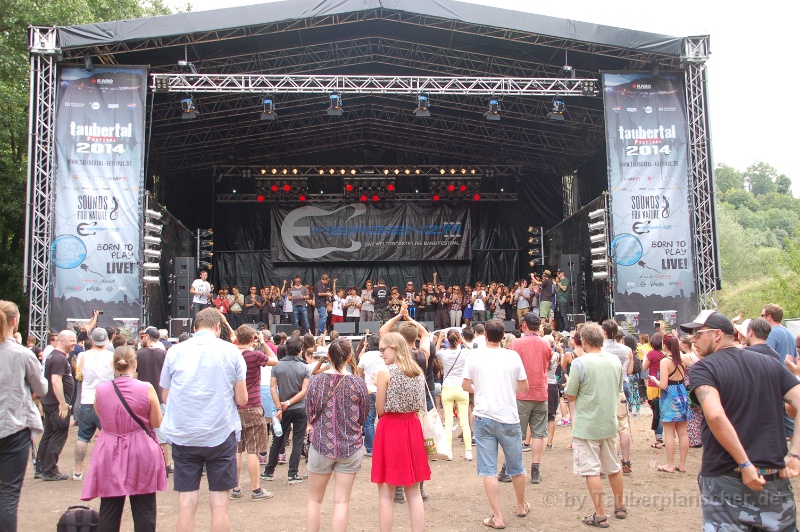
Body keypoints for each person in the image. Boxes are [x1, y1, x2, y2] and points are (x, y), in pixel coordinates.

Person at [682, 310, 800, 530]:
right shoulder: (770, 362)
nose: (693, 340)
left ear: (717, 334)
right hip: (772, 479)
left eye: (698, 334)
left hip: (726, 479)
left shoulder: (704, 368)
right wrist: (795, 453)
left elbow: (715, 415)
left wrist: (745, 464)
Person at [160, 307, 247, 532]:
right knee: (220, 505)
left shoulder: (175, 352)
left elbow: (166, 397)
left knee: (186, 503)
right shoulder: (231, 352)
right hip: (220, 433)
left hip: (185, 435)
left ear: (194, 327)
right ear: (218, 327)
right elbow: (242, 399)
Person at [80, 346, 167, 531]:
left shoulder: (101, 389)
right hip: (141, 448)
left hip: (109, 448)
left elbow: (101, 416)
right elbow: (156, 422)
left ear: (113, 365)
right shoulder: (146, 387)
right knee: (144, 507)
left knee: (109, 508)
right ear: (135, 364)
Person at [461, 319, 529, 529]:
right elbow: (524, 386)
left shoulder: (474, 356)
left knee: (488, 469)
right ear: (503, 336)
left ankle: (497, 517)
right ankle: (521, 506)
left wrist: (480, 389)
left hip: (484, 417)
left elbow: (465, 385)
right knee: (516, 466)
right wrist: (507, 388)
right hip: (508, 417)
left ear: (485, 335)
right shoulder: (512, 356)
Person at [564, 322, 626, 527]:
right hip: (608, 421)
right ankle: (620, 506)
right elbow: (618, 387)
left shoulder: (580, 363)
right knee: (613, 466)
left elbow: (570, 394)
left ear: (584, 341)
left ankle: (600, 514)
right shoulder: (615, 361)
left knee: (591, 470)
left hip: (587, 424)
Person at [305, 338, 369, 532]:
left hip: (321, 444)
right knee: (342, 502)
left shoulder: (316, 381)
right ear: (349, 357)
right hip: (350, 446)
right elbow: (363, 416)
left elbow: (310, 413)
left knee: (314, 500)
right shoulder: (358, 383)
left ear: (328, 356)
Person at [372, 331, 430, 532]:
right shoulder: (417, 371)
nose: (381, 354)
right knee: (414, 492)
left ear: (394, 348)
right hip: (412, 427)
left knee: (386, 492)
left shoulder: (385, 373)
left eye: (383, 349)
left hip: (391, 429)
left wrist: (378, 386)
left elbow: (380, 410)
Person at [0, 301, 48, 531]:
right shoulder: (22, 354)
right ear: (14, 321)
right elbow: (41, 387)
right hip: (13, 427)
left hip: (12, 424)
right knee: (8, 493)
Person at [231, 325, 277, 501]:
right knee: (253, 450)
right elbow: (274, 360)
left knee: (237, 449)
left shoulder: (232, 354)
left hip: (234, 407)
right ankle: (256, 489)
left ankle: (235, 488)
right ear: (252, 339)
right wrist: (263, 342)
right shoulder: (254, 355)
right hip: (252, 405)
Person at [509, 313, 552, 484]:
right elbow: (548, 363)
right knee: (538, 433)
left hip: (521, 393)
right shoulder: (545, 344)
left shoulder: (516, 344)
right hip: (540, 392)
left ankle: (509, 468)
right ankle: (535, 470)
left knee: (515, 434)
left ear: (524, 325)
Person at [262, 336, 311, 484]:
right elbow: (304, 391)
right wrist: (289, 403)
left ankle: (268, 471)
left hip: (282, 409)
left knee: (277, 439)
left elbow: (273, 389)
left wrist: (280, 406)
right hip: (299, 407)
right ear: (300, 350)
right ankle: (292, 474)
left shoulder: (277, 366)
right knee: (297, 441)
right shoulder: (305, 368)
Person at [73, 328, 115, 480]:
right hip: (106, 402)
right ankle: (109, 469)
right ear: (106, 340)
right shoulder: (111, 356)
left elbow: (79, 376)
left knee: (82, 437)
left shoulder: (82, 355)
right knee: (110, 437)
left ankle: (78, 471)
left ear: (92, 340)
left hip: (86, 400)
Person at [650, 333, 693, 473]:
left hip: (669, 395)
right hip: (682, 392)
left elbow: (663, 385)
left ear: (664, 345)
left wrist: (654, 380)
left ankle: (670, 464)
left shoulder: (665, 361)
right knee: (683, 433)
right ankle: (682, 464)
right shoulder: (683, 358)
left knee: (669, 433)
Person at [600, 320, 634, 475]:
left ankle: (606, 464)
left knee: (605, 428)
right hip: (621, 388)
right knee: (623, 427)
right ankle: (626, 462)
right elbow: (630, 371)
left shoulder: (599, 349)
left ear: (604, 332)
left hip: (604, 391)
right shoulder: (627, 350)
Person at [136, 327, 172, 475]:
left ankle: (144, 464)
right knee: (161, 432)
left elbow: (134, 375)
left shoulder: (139, 354)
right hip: (159, 397)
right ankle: (166, 464)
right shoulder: (164, 354)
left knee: (142, 431)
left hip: (141, 397)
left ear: (147, 337)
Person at [434, 329, 472, 461]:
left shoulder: (443, 353)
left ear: (448, 341)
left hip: (447, 388)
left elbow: (434, 353)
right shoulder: (464, 352)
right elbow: (472, 350)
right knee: (464, 422)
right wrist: (463, 341)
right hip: (461, 388)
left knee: (448, 423)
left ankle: (448, 451)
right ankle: (468, 451)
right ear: (458, 340)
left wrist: (439, 339)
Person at [357, 334, 384, 456]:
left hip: (369, 390)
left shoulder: (365, 356)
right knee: (383, 419)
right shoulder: (383, 355)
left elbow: (360, 373)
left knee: (369, 420)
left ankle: (370, 449)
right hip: (382, 389)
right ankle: (383, 445)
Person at [642, 333, 665, 448]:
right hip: (663, 385)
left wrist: (644, 356)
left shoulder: (651, 353)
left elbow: (644, 367)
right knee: (663, 411)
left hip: (652, 384)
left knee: (656, 413)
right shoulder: (664, 354)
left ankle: (658, 437)